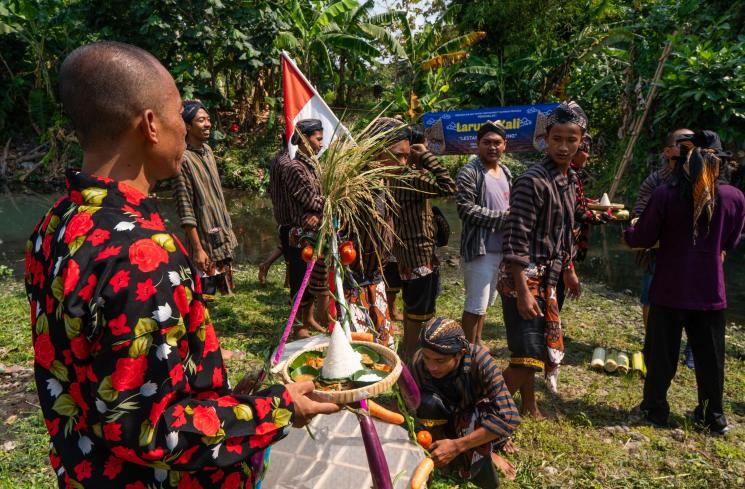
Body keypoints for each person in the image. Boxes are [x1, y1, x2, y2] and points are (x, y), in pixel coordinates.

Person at [25, 41, 339, 489]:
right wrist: (277, 406)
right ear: (151, 125)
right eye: (177, 116)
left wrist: (225, 395)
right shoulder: (141, 254)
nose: (184, 129)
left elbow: (107, 371)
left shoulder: (54, 224)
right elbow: (150, 429)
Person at [624, 131, 745, 434]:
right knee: (711, 358)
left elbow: (643, 237)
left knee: (662, 354)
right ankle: (713, 416)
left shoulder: (666, 193)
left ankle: (655, 410)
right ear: (721, 163)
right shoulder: (734, 197)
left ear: (683, 161)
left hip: (669, 288)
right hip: (710, 292)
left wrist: (629, 229)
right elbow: (730, 241)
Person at [498, 102, 586, 417]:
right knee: (529, 353)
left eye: (571, 139)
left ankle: (529, 405)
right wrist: (522, 291)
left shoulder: (570, 180)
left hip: (550, 278)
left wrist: (569, 270)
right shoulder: (531, 181)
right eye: (557, 138)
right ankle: (482, 411)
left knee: (529, 352)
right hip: (523, 277)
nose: (564, 146)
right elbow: (514, 238)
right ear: (545, 139)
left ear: (581, 141)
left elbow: (564, 232)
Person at [411, 317, 521, 487]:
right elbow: (410, 404)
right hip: (446, 416)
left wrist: (457, 446)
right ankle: (444, 447)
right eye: (427, 358)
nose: (431, 367)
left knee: (489, 412)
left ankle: (486, 449)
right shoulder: (419, 363)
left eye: (440, 361)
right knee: (427, 403)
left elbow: (509, 416)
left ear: (460, 353)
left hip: (475, 416)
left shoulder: (480, 360)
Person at [381, 117, 457, 363]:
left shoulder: (392, 176)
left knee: (417, 311)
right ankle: (410, 361)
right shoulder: (408, 178)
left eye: (406, 155)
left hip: (410, 255)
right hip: (418, 256)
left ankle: (408, 353)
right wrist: (425, 158)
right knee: (418, 315)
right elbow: (448, 186)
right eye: (400, 155)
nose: (404, 160)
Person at [270, 120, 330, 337]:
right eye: (318, 139)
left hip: (310, 233)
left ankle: (306, 321)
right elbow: (310, 200)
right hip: (298, 233)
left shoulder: (311, 164)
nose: (321, 144)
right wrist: (333, 201)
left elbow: (317, 199)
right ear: (304, 139)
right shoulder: (295, 167)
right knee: (299, 279)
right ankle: (297, 327)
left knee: (310, 277)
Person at [456, 121, 512, 345]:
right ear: (477, 144)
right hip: (480, 248)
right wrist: (502, 219)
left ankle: (477, 342)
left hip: (501, 248)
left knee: (487, 301)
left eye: (497, 143)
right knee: (475, 304)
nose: (492, 147)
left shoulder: (505, 171)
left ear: (504, 145)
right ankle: (466, 351)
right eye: (486, 142)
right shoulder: (469, 172)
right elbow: (465, 208)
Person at [174, 100, 238, 298]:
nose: (208, 124)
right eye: (201, 120)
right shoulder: (182, 160)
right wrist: (198, 249)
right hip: (204, 240)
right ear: (187, 126)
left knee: (223, 293)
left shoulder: (208, 151)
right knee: (203, 296)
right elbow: (185, 210)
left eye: (208, 119)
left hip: (221, 232)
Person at [633, 128, 695, 331]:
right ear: (668, 151)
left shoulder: (702, 180)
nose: (689, 149)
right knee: (651, 296)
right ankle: (651, 341)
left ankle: (691, 351)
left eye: (692, 144)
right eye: (682, 145)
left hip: (693, 253)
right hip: (658, 252)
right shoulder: (655, 181)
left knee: (695, 299)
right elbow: (638, 214)